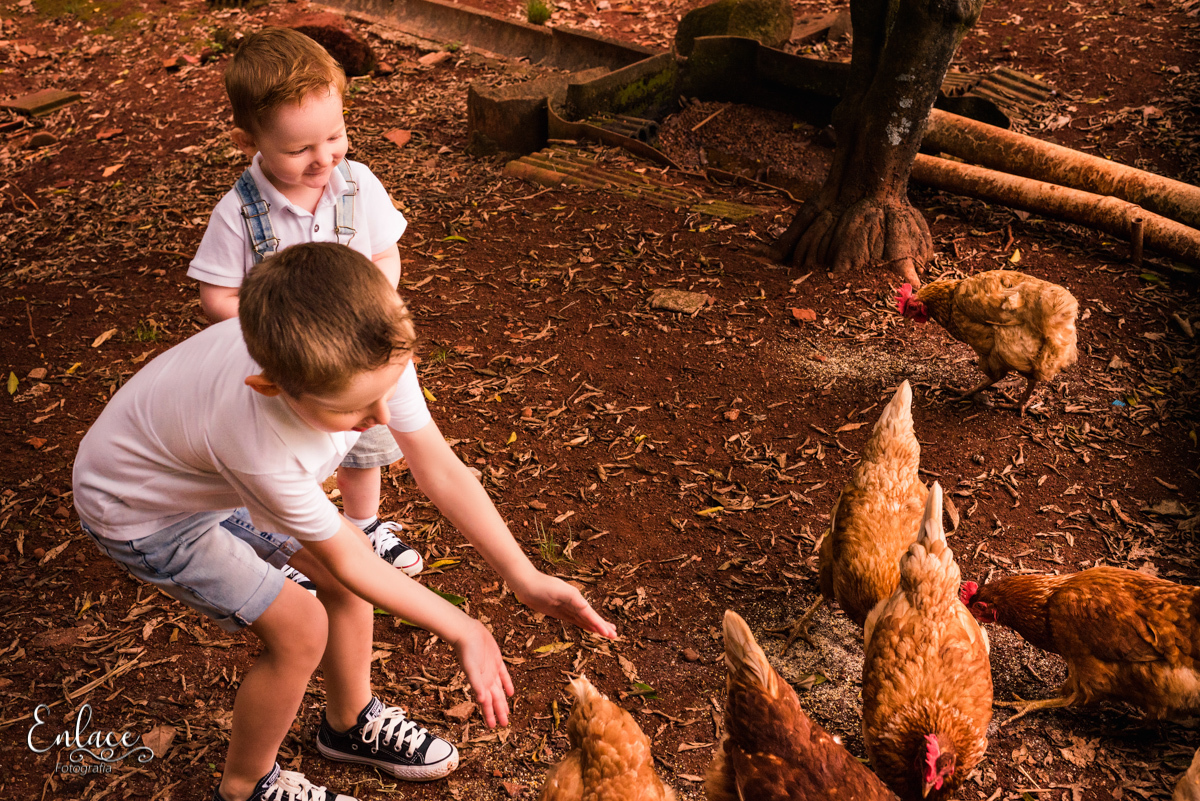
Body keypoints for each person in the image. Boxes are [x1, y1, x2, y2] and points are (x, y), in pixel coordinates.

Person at [73, 243, 617, 801]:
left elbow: (440, 470)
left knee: (345, 568)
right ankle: (245, 785)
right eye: (355, 409)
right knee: (302, 627)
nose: (382, 418)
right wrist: (464, 628)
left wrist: (525, 578)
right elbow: (350, 561)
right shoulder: (259, 441)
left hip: (203, 476)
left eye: (387, 391)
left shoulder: (372, 352)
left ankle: (348, 722)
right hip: (141, 509)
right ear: (273, 387)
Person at [188, 26, 417, 585]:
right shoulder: (239, 213)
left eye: (335, 137)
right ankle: (294, 544)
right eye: (299, 149)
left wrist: (376, 298)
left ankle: (363, 526)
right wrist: (277, 328)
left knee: (365, 442)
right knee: (285, 456)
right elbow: (216, 294)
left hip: (360, 354)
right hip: (292, 367)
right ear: (250, 143)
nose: (323, 160)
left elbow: (386, 256)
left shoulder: (357, 185)